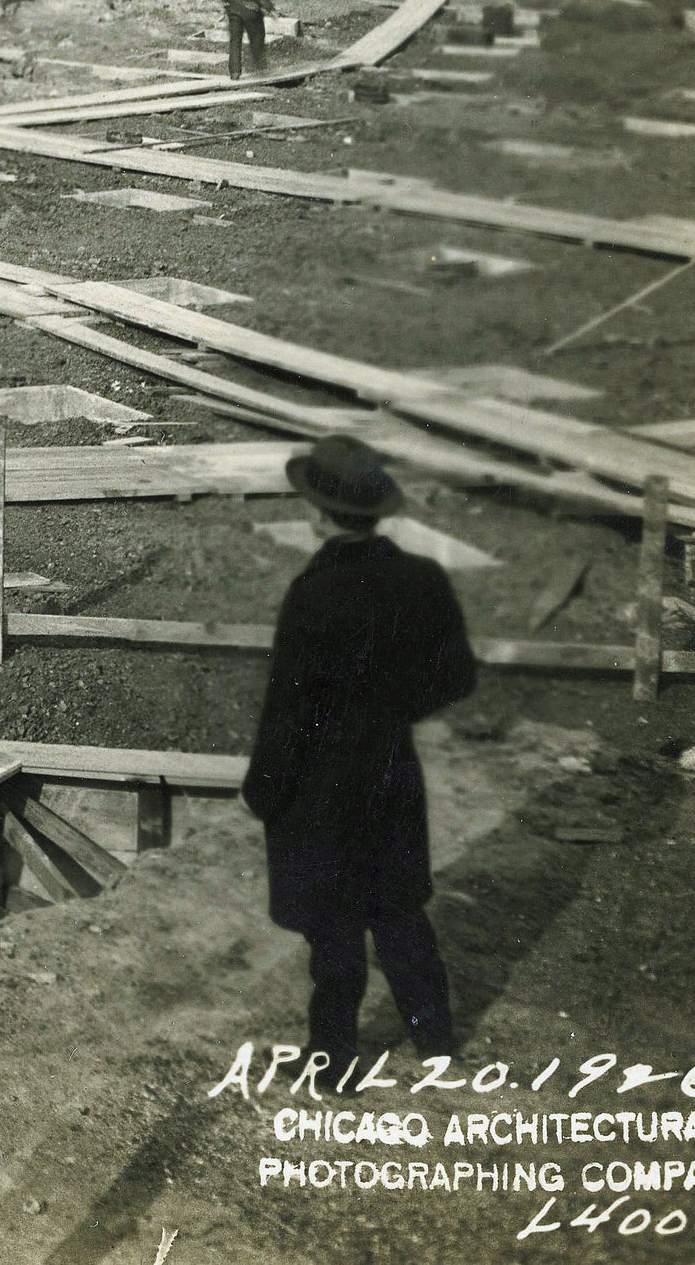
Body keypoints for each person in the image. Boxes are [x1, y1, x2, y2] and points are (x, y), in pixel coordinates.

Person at [244, 434, 476, 1087]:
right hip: (391, 774)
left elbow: (287, 712)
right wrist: (390, 708)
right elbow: (456, 676)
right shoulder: (421, 579)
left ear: (317, 513)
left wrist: (265, 789)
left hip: (322, 788)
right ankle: (437, 1047)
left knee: (334, 927)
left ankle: (333, 1061)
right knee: (400, 912)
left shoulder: (313, 594)